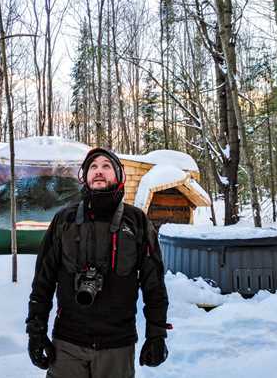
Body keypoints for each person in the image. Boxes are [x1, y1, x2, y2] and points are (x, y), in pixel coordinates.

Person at [26, 148, 170, 378]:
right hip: (67, 344)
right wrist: (36, 331)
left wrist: (157, 334)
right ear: (85, 176)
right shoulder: (65, 220)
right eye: (93, 167)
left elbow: (154, 283)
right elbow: (43, 280)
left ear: (118, 175)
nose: (99, 171)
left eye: (106, 166)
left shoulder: (137, 222)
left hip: (117, 347)